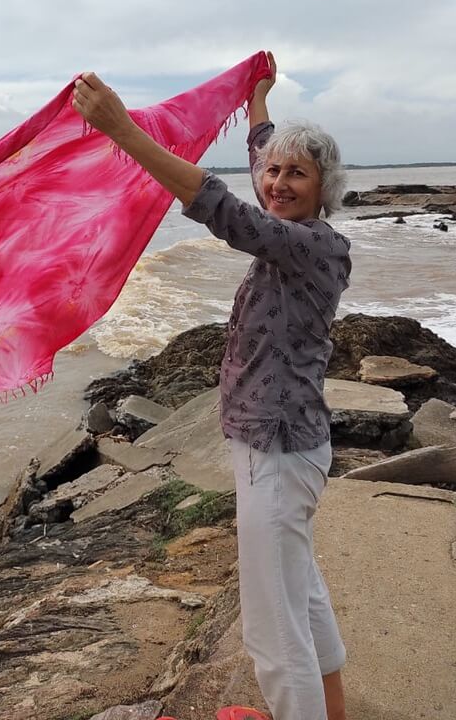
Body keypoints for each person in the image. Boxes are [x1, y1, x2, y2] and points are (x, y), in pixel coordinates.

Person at [72, 53, 351, 720]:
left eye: (297, 173)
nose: (278, 181)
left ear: (323, 188)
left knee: (274, 633)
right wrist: (257, 101)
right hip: (288, 448)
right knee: (302, 598)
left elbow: (222, 208)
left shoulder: (309, 246)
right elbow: (258, 165)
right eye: (274, 171)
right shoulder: (293, 231)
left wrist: (122, 130)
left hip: (277, 456)